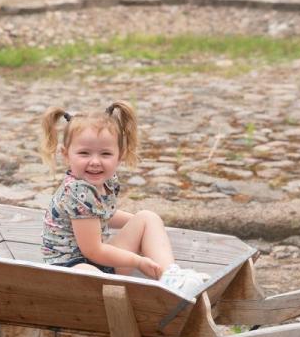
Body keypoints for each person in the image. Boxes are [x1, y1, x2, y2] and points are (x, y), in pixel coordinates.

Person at [40, 100, 212, 297]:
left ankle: (170, 277)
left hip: (101, 262)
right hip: (69, 266)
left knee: (147, 217)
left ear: (119, 155)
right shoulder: (77, 191)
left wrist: (141, 227)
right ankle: (113, 302)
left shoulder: (106, 181)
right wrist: (137, 261)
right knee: (89, 275)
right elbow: (93, 251)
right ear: (66, 154)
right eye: (84, 153)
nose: (95, 161)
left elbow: (103, 215)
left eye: (105, 154)